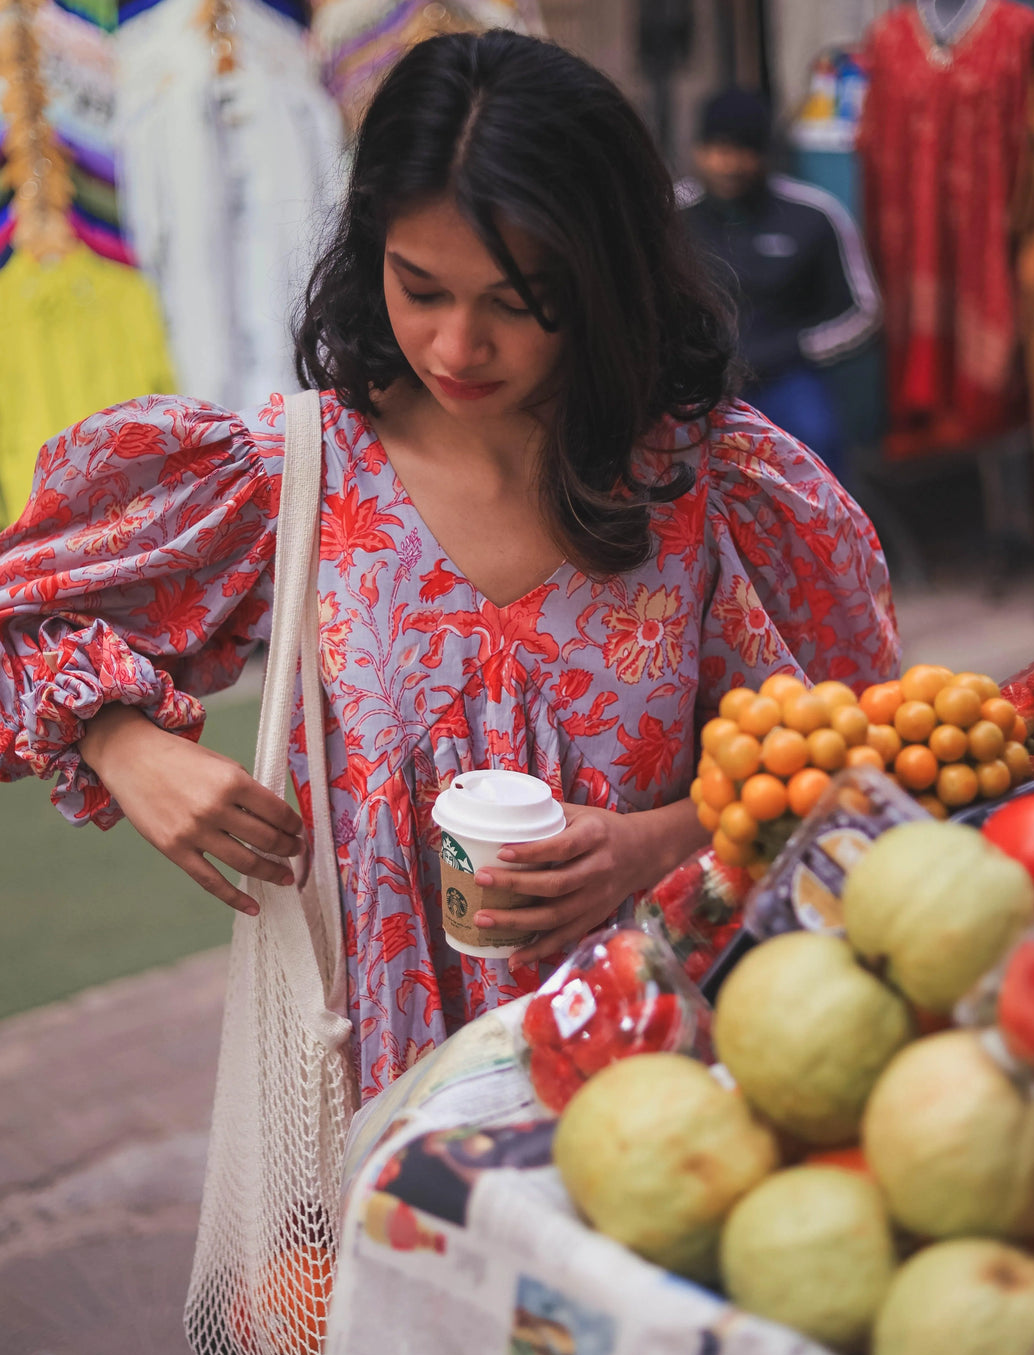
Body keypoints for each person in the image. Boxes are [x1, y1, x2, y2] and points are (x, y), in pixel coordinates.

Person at [0, 31, 899, 1098]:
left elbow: (867, 756)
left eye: (515, 303)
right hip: (375, 1094)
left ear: (604, 277)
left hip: (672, 1079)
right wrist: (120, 741)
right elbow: (20, 618)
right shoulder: (288, 476)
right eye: (418, 287)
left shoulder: (719, 487)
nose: (455, 347)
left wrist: (653, 841)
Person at [681, 85, 882, 477]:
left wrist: (796, 348)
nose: (729, 164)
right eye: (717, 149)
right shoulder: (672, 216)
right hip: (698, 381)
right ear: (699, 151)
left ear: (764, 154)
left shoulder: (811, 214)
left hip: (787, 377)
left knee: (816, 442)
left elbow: (866, 311)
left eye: (742, 150)